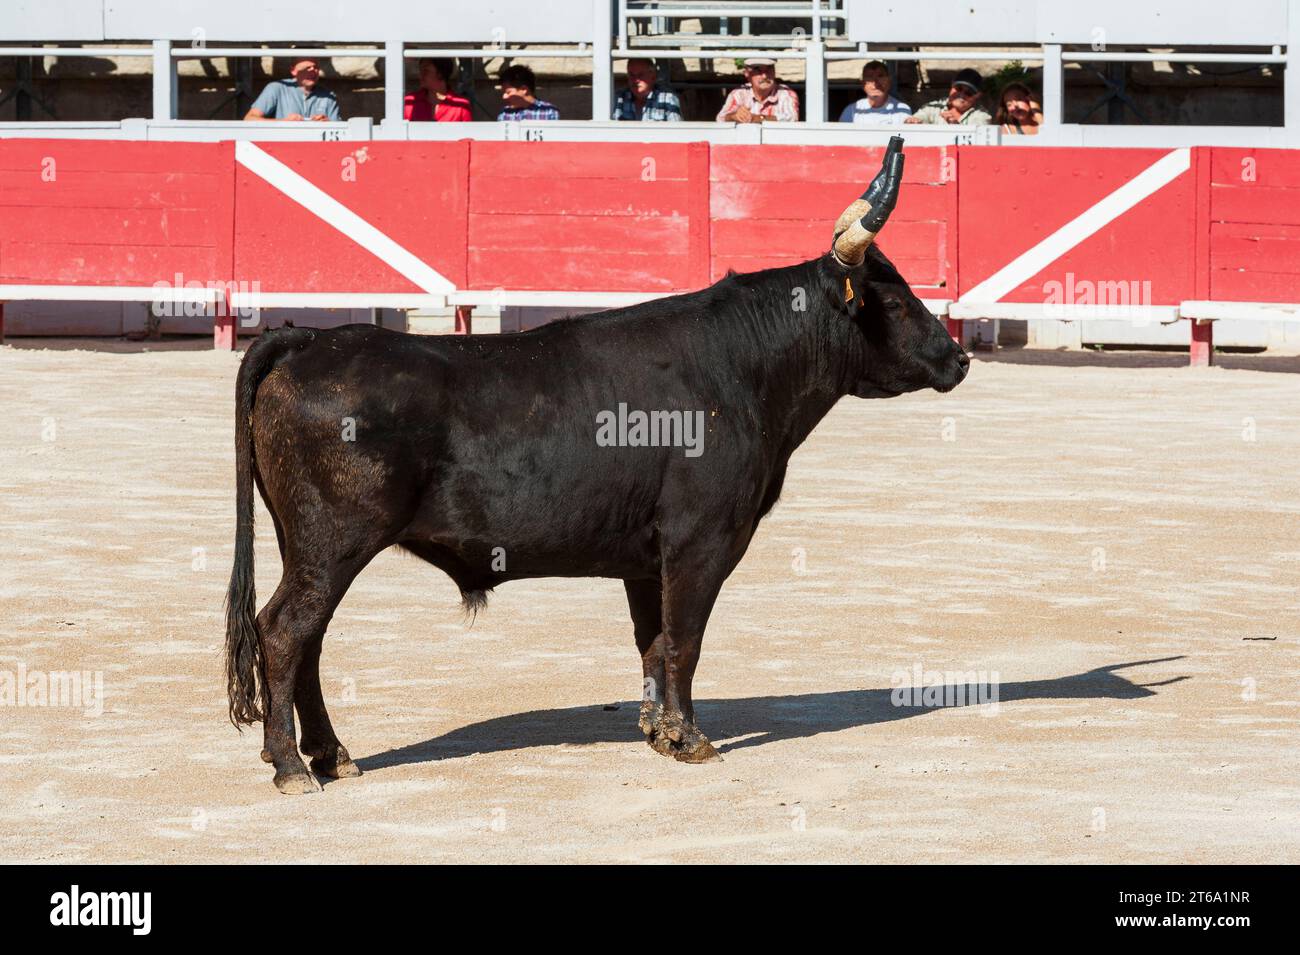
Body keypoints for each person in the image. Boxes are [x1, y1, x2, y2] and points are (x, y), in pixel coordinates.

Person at [244, 57, 341, 122]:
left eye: (315, 67)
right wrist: (284, 122)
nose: (313, 71)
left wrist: (327, 123)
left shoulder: (329, 95)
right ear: (293, 71)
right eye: (307, 68)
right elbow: (249, 119)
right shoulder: (277, 88)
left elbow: (340, 130)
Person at [716, 57, 800, 123]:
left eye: (769, 69)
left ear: (774, 71)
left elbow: (792, 118)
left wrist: (759, 118)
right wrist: (734, 116)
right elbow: (720, 118)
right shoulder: (739, 93)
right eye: (758, 70)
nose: (764, 76)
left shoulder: (786, 93)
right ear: (746, 73)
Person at [905, 68, 991, 126]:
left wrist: (956, 127)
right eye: (959, 88)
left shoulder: (982, 115)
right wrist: (914, 121)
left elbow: (979, 135)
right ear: (952, 86)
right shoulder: (934, 107)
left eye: (969, 93)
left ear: (977, 96)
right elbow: (921, 116)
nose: (962, 94)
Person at [839, 60, 912, 125]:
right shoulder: (852, 110)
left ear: (889, 81)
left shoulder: (902, 109)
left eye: (880, 76)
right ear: (863, 83)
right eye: (870, 77)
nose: (875, 82)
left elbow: (902, 138)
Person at [613, 58, 682, 121]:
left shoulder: (667, 98)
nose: (636, 80)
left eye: (641, 75)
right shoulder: (618, 97)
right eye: (631, 75)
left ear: (653, 77)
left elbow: (677, 132)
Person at [404, 58, 472, 122]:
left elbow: (467, 133)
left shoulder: (460, 105)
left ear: (440, 73)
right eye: (420, 71)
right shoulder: (409, 102)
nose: (420, 75)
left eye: (426, 71)